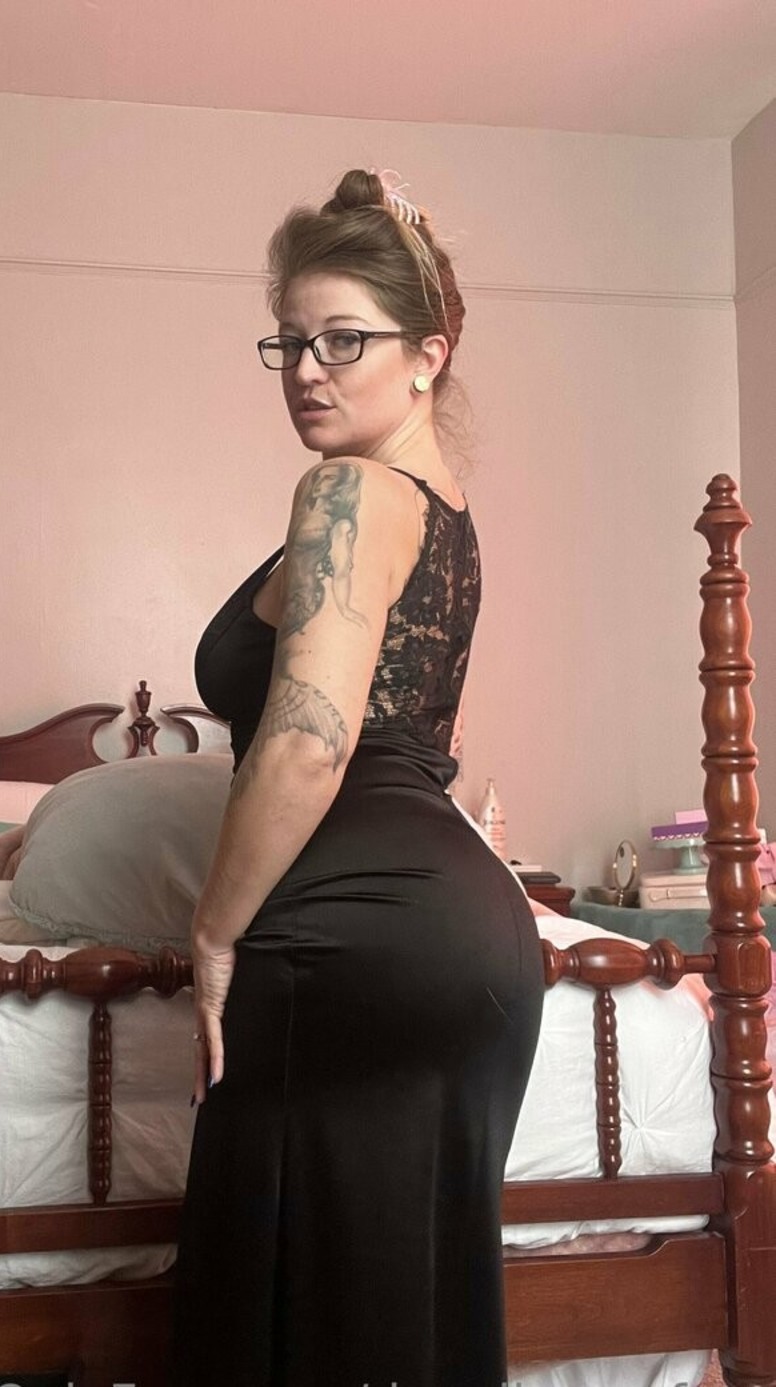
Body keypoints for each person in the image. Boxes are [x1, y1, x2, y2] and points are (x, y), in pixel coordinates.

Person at [171, 169, 544, 1387]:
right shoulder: (448, 515)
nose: (306, 369)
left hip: (346, 946)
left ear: (429, 356)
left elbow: (308, 740)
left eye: (343, 339)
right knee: (406, 1326)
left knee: (285, 1320)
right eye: (289, 341)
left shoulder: (345, 490)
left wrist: (211, 933)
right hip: (475, 949)